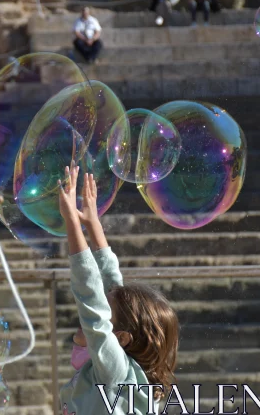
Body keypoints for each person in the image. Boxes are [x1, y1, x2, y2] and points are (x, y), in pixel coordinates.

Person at [58, 164, 179, 415]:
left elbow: (89, 294)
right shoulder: (120, 368)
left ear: (121, 338)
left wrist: (71, 221)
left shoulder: (114, 372)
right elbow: (111, 283)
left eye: (104, 311)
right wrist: (92, 224)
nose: (94, 312)